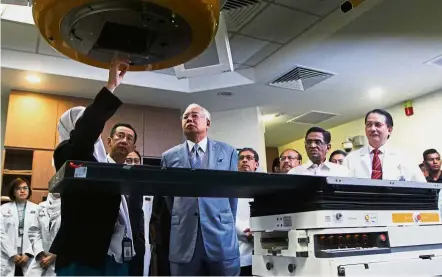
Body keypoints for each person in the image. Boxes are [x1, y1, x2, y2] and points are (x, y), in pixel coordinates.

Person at [50, 58, 136, 276]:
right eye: (84, 122)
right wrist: (111, 86)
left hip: (113, 255)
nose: (93, 130)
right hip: (83, 256)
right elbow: (83, 137)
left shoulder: (104, 163)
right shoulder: (66, 152)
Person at [161, 103, 240, 276]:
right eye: (185, 117)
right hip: (184, 238)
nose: (189, 119)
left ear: (208, 123)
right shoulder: (168, 157)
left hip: (221, 236)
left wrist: (227, 221)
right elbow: (169, 197)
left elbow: (233, 194)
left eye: (195, 115)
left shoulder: (228, 152)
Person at [344, 109, 426, 182]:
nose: (372, 129)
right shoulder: (350, 159)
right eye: (369, 125)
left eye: (378, 125)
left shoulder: (405, 158)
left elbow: (422, 188)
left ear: (389, 130)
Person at [0, 178, 39, 276]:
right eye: (18, 188)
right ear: (13, 192)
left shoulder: (37, 208)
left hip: (29, 257)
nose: (22, 191)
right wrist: (12, 254)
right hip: (8, 256)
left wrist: (29, 254)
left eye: (25, 188)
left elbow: (39, 233)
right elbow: (1, 233)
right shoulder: (3, 209)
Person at [27, 193, 61, 276]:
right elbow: (33, 231)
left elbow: (71, 236)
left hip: (59, 261)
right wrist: (40, 253)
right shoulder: (41, 206)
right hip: (41, 258)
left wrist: (55, 256)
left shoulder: (70, 207)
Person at [236, 148, 259, 276]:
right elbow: (226, 215)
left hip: (263, 246)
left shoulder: (265, 186)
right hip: (239, 250)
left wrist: (258, 231)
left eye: (249, 158)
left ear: (256, 164)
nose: (244, 160)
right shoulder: (229, 188)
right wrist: (245, 233)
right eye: (241, 158)